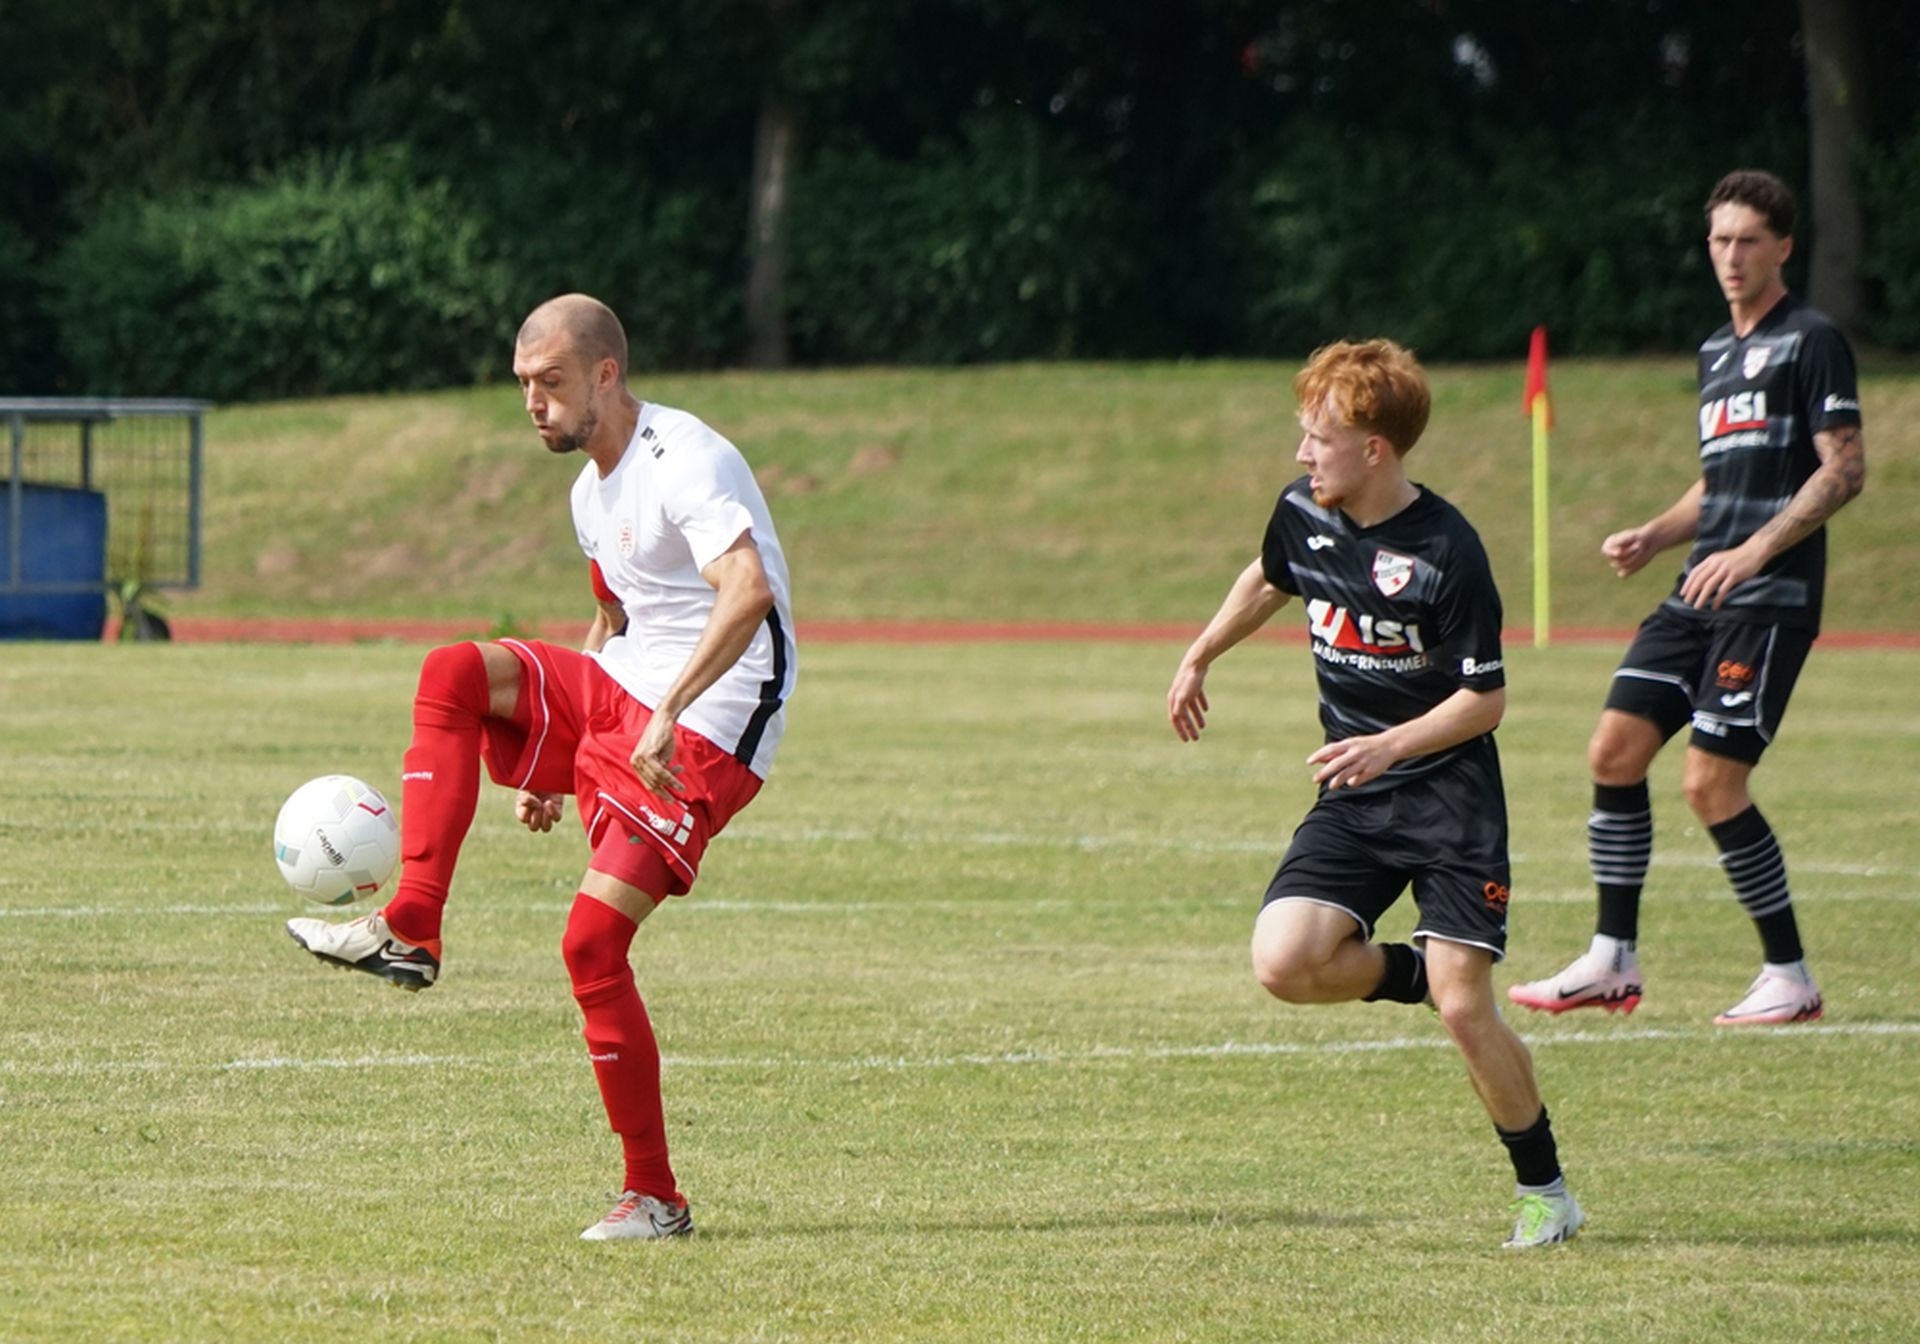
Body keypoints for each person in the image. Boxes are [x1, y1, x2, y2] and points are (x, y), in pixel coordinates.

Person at [286, 293, 798, 1241]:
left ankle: (656, 1198)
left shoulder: (685, 458)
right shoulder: (588, 493)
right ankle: (412, 925)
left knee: (591, 946)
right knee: (453, 674)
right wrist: (549, 758)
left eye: (551, 382)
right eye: (523, 384)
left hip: (713, 723)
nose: (534, 402)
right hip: (626, 693)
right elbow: (613, 615)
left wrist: (668, 714)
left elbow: (748, 590)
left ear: (606, 374)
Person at [1167, 338, 1582, 1250]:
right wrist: (1200, 655)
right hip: (1356, 796)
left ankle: (1547, 1194)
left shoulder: (1447, 549)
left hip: (1449, 800)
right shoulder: (1302, 512)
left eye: (1318, 439)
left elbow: (1485, 700)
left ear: (1374, 449)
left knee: (1468, 1010)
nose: (1302, 454)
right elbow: (1270, 576)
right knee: (1284, 963)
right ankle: (1419, 977)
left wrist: (1388, 745)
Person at [1508, 171, 1866, 1027]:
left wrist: (1754, 551)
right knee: (1614, 751)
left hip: (1767, 597)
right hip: (1698, 590)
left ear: (1783, 247)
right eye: (1719, 241)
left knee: (1710, 783)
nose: (1731, 256)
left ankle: (1789, 976)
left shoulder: (1812, 340)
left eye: (1748, 241)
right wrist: (1655, 534)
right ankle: (1611, 959)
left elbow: (1844, 471)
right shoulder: (1715, 354)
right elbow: (1721, 482)